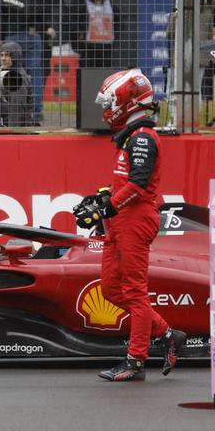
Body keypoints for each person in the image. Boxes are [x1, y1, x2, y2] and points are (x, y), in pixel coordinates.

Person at [73, 69, 186, 381]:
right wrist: (101, 198)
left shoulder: (144, 139)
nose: (106, 109)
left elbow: (137, 187)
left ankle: (135, 360)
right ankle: (166, 335)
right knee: (110, 288)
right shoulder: (131, 137)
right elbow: (125, 184)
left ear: (125, 101)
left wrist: (106, 206)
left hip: (136, 221)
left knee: (135, 292)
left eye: (110, 102)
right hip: (121, 220)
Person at [0, 41, 33, 127]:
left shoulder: (17, 78)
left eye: (7, 55)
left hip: (17, 131)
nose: (3, 58)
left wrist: (11, 135)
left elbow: (16, 111)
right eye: (1, 55)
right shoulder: (1, 72)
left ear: (15, 57)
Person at [78, 0, 115, 68]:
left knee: (105, 71)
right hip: (89, 46)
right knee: (88, 71)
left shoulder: (109, 4)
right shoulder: (84, 4)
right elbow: (77, 21)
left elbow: (118, 22)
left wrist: (115, 37)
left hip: (106, 46)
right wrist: (80, 35)